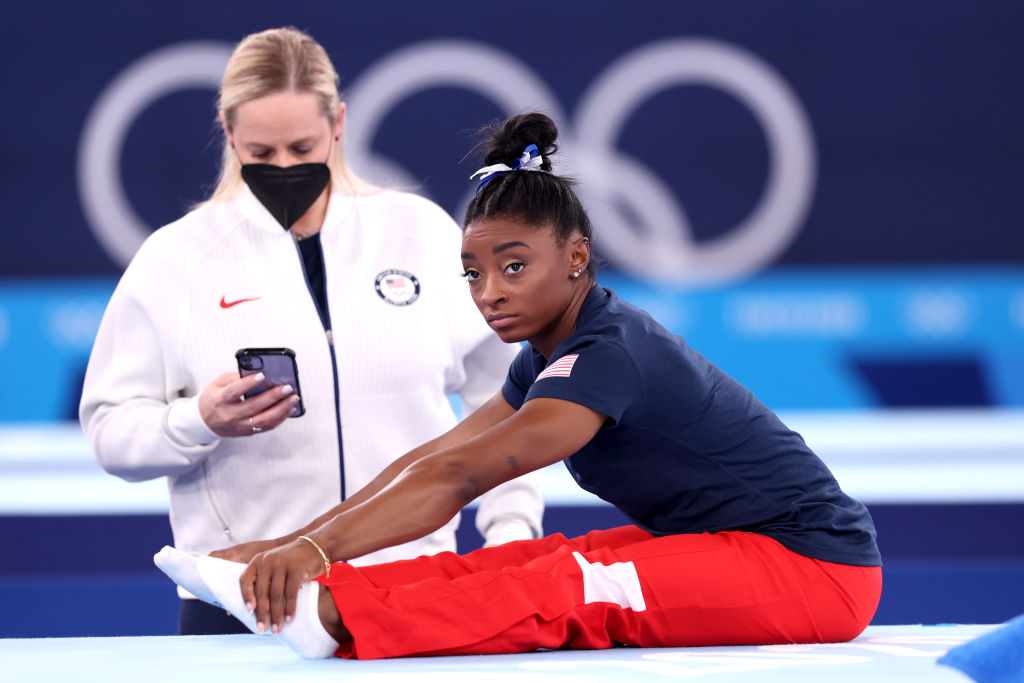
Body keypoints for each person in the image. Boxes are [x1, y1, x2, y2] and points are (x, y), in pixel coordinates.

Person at [155, 111, 882, 660]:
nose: (488, 293)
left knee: (575, 587)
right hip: (728, 541)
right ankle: (318, 600)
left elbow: (458, 477)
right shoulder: (546, 355)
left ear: (576, 257)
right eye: (472, 273)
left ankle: (339, 620)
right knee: (532, 558)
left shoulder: (607, 354)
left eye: (513, 266)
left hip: (816, 567)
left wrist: (313, 550)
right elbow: (430, 455)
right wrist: (291, 543)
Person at [79, 27, 543, 635]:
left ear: (339, 124)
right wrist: (197, 421)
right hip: (245, 596)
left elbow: (509, 401)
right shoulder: (175, 262)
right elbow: (111, 430)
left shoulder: (421, 236)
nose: (285, 168)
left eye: (302, 147)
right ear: (228, 134)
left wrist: (511, 533)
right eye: (262, 153)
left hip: (412, 588)